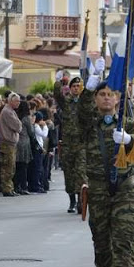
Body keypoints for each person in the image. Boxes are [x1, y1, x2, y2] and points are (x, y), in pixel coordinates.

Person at [78, 71, 134, 267]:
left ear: (118, 99)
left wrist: (128, 141)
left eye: (111, 94)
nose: (106, 98)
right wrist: (88, 88)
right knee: (102, 239)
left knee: (124, 234)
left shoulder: (128, 123)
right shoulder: (88, 126)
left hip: (125, 189)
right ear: (96, 99)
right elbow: (80, 111)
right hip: (98, 190)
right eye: (102, 94)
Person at [54, 73, 85, 213]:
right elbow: (57, 95)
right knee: (69, 173)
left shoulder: (86, 103)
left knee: (81, 172)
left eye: (79, 86)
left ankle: (80, 200)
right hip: (67, 144)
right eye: (74, 86)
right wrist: (58, 82)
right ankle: (72, 200)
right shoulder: (66, 102)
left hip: (82, 143)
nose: (76, 88)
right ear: (70, 88)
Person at [0, 93, 22, 196]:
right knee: (8, 166)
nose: (18, 103)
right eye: (17, 101)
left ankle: (9, 188)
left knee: (11, 167)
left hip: (11, 143)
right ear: (10, 101)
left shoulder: (11, 111)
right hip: (7, 143)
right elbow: (17, 126)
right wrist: (19, 124)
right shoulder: (8, 112)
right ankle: (7, 188)